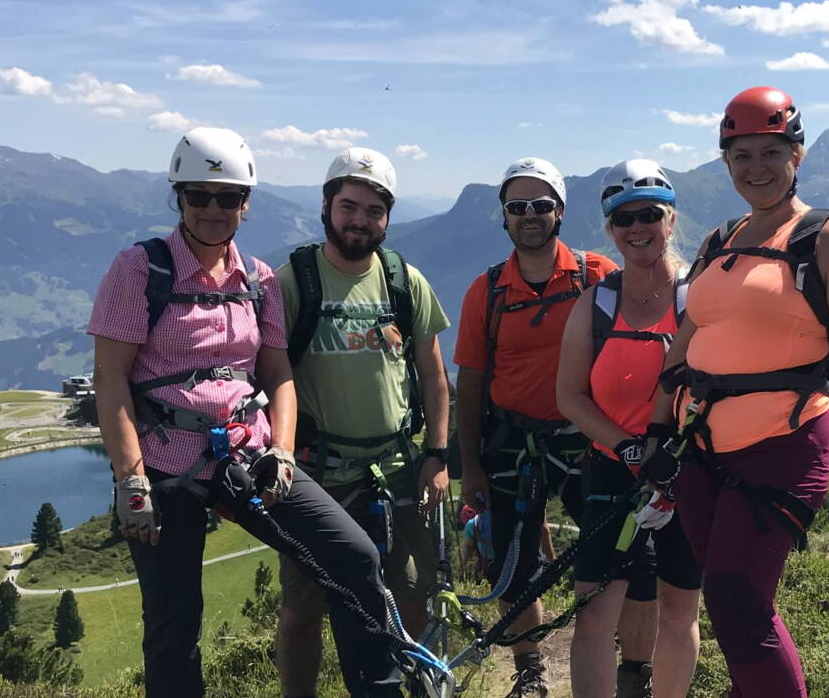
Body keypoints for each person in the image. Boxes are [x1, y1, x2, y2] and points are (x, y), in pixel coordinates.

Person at [91, 128, 407, 697]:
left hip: (248, 454)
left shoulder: (259, 280)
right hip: (164, 464)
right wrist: (130, 477)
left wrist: (282, 452)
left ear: (246, 202)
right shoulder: (138, 271)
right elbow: (111, 378)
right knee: (172, 623)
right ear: (179, 196)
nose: (214, 209)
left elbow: (278, 374)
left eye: (228, 196)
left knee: (354, 558)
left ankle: (380, 689)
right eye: (199, 195)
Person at [638, 86, 829, 696]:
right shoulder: (721, 241)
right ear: (725, 162)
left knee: (737, 598)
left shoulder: (826, 238)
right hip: (699, 446)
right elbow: (687, 342)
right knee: (730, 594)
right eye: (741, 156)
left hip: (781, 444)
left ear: (798, 154)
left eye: (771, 152)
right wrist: (658, 429)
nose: (755, 168)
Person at [274, 148, 452, 697]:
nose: (360, 220)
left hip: (399, 466)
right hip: (317, 473)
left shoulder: (403, 280)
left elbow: (434, 376)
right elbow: (269, 376)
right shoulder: (294, 282)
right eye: (349, 206)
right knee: (304, 606)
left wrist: (437, 457)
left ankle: (413, 685)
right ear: (327, 207)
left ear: (387, 218)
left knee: (412, 594)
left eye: (374, 210)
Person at [453, 157, 628, 697]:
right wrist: (472, 466)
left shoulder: (596, 276)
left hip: (585, 440)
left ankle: (614, 646)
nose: (529, 215)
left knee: (609, 549)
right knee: (513, 563)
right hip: (511, 444)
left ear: (560, 211)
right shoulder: (487, 292)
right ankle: (530, 669)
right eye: (517, 207)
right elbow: (472, 384)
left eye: (540, 205)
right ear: (503, 216)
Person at [556, 159, 703, 698]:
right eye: (623, 219)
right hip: (611, 472)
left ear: (670, 220)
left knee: (680, 610)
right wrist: (631, 448)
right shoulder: (597, 304)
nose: (637, 228)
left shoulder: (699, 300)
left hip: (685, 476)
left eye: (649, 215)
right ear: (609, 228)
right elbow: (568, 395)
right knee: (594, 616)